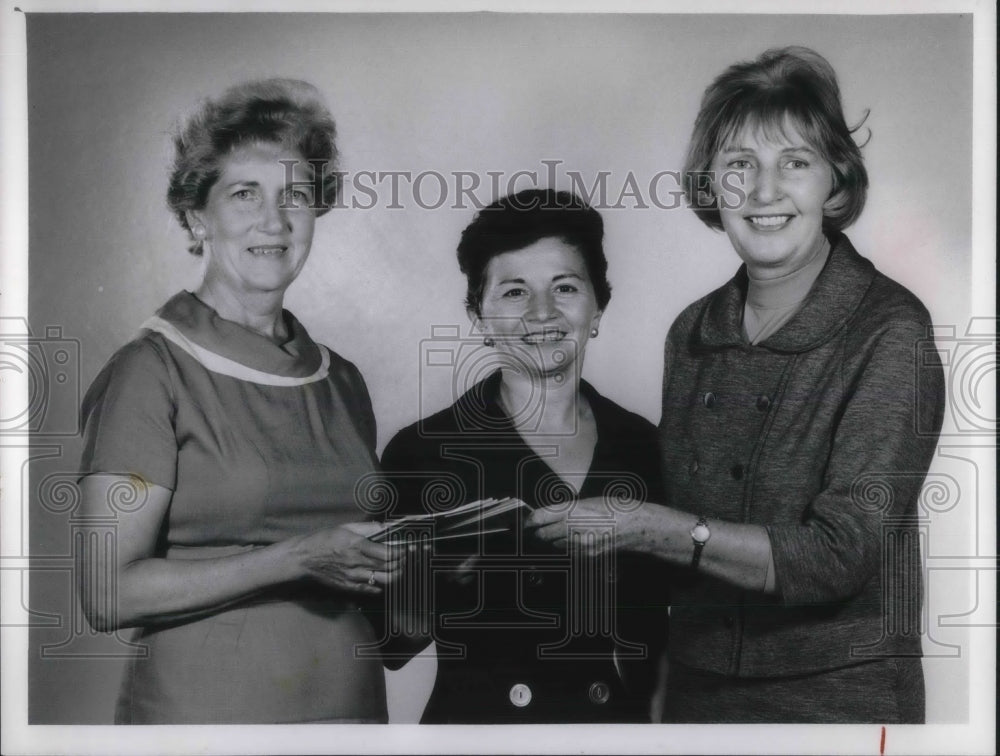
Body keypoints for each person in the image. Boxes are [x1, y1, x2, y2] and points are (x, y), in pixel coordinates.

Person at [528, 47, 945, 723]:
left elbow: (840, 555)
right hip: (696, 694)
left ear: (835, 182)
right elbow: (664, 545)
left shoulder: (890, 331)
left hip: (837, 701)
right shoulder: (692, 333)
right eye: (739, 164)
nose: (763, 192)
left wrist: (658, 529)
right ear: (711, 184)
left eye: (795, 163)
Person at [77, 78, 400, 724]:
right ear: (199, 215)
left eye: (295, 195)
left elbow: (377, 609)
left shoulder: (343, 381)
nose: (274, 220)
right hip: (202, 724)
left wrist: (432, 569)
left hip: (349, 723)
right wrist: (293, 558)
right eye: (245, 193)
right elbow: (105, 590)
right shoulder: (154, 369)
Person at [379, 189, 667, 723]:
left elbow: (672, 633)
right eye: (514, 292)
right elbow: (390, 647)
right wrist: (433, 586)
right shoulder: (421, 452)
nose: (542, 312)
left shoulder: (647, 447)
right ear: (479, 316)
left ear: (598, 306)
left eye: (565, 287)